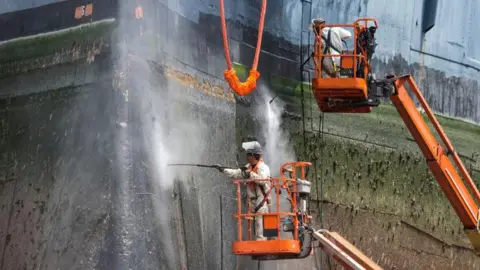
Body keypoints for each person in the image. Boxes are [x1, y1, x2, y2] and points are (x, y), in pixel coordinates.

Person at [217, 140, 271, 241]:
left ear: (254, 155)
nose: (247, 157)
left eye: (249, 154)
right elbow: (237, 173)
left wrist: (250, 174)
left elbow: (263, 180)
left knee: (260, 228)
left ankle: (262, 247)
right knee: (256, 227)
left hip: (262, 200)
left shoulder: (263, 168)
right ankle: (259, 247)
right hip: (253, 201)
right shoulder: (249, 167)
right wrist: (223, 170)